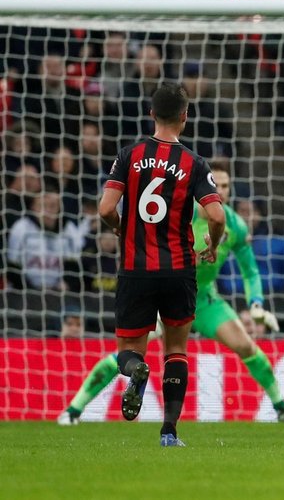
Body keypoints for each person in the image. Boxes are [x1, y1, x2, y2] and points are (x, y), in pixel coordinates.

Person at [57, 162, 284, 427]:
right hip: (168, 298)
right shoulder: (180, 215)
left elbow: (250, 270)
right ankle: (73, 409)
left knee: (246, 346)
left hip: (204, 300)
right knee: (131, 354)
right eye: (215, 185)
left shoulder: (235, 225)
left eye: (226, 186)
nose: (221, 191)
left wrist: (256, 304)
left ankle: (281, 408)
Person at [96, 83, 225, 447]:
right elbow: (216, 216)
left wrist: (120, 228)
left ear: (151, 114)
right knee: (176, 351)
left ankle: (136, 369)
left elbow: (106, 208)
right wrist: (211, 247)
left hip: (136, 266)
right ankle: (169, 432)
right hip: (179, 269)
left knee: (129, 349)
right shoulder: (195, 163)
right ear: (185, 116)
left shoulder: (129, 155)